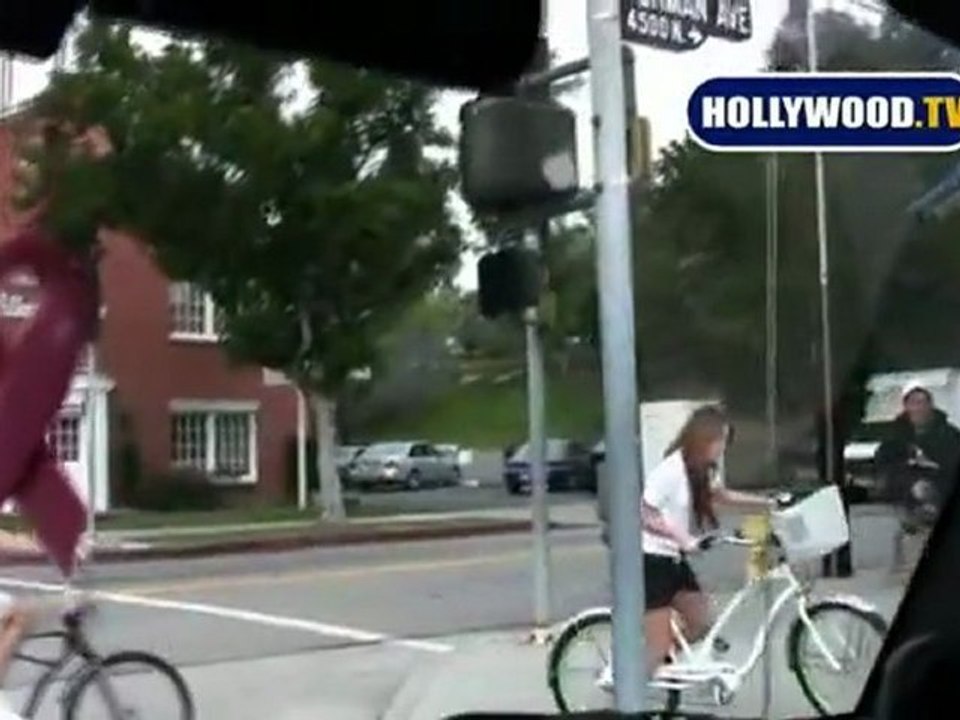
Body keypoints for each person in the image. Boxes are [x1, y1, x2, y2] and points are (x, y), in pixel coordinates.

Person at [638, 404, 775, 673]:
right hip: (652, 561)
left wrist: (766, 503)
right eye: (718, 440)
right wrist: (684, 538)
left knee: (700, 622)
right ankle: (634, 689)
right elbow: (645, 512)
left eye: (725, 440)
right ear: (701, 438)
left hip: (674, 560)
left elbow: (719, 495)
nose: (722, 447)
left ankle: (662, 668)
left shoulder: (700, 469)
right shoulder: (671, 469)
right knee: (656, 647)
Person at [875, 380, 960, 520]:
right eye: (913, 402)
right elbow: (884, 470)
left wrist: (934, 489)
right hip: (901, 513)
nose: (918, 408)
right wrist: (912, 486)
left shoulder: (951, 436)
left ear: (930, 405)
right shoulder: (893, 438)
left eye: (922, 402)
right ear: (906, 406)